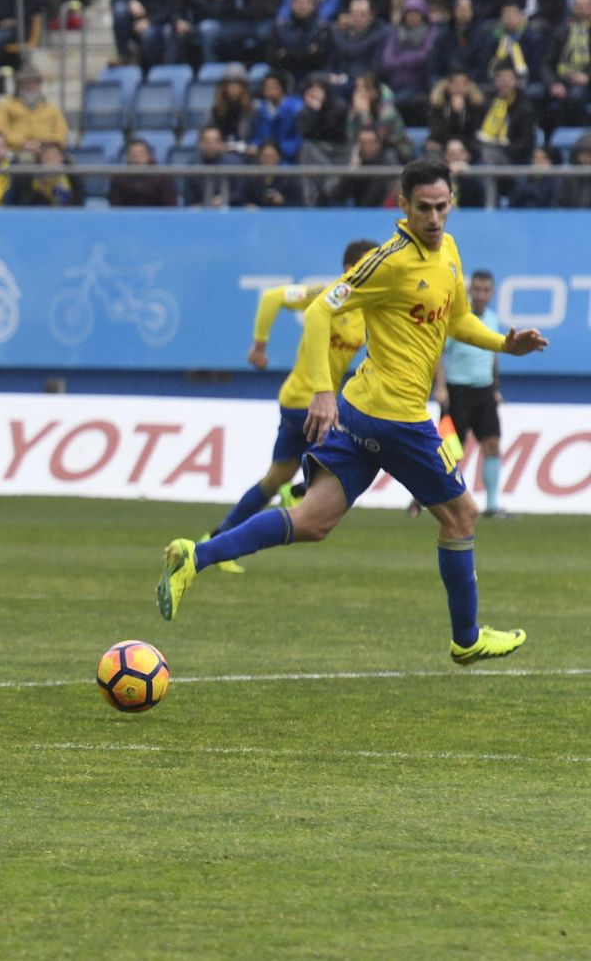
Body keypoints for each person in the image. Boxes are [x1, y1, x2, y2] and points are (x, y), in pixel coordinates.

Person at [158, 160, 549, 664]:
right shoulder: (388, 261)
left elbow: (457, 320)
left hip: (365, 413)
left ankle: (196, 555)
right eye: (423, 208)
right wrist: (322, 391)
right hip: (395, 417)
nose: (434, 218)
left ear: (452, 202)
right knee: (463, 516)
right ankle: (467, 637)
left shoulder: (448, 251)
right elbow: (322, 308)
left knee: (311, 520)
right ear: (403, 206)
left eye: (442, 207)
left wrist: (503, 343)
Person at [201, 240, 376, 574]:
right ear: (348, 269)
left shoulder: (368, 309)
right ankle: (297, 494)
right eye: (365, 265)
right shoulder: (328, 295)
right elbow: (272, 297)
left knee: (274, 477)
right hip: (306, 403)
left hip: (311, 404)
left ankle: (216, 542)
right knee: (350, 456)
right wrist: (259, 346)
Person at [435, 269, 508, 517]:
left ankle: (492, 504)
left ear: (492, 293)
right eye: (476, 289)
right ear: (469, 291)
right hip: (457, 391)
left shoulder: (494, 320)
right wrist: (441, 387)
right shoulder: (458, 321)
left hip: (485, 392)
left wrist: (496, 388)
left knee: (492, 445)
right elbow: (439, 355)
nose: (480, 294)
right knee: (452, 451)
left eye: (485, 290)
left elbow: (493, 357)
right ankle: (437, 498)